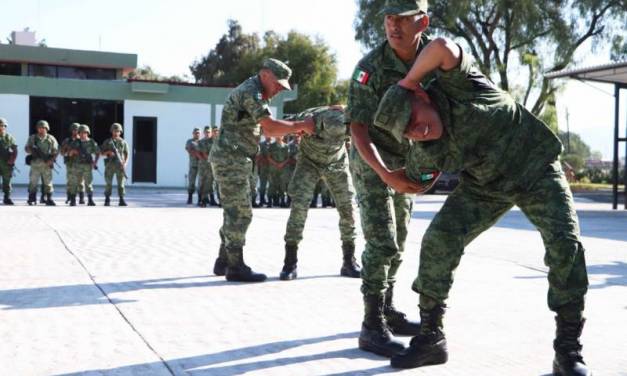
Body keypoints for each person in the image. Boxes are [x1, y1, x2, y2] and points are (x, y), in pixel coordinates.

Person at [373, 33, 591, 375]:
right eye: (408, 133)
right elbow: (412, 181)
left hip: (536, 169)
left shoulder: (459, 84)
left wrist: (408, 81)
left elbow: (442, 46)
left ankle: (567, 351)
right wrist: (385, 174)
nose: (417, 131)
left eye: (413, 119)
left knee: (566, 245)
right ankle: (431, 336)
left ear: (420, 95)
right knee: (438, 240)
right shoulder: (426, 149)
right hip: (485, 187)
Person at [346, 0, 430, 357]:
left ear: (422, 22)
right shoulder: (370, 68)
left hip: (406, 162)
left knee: (399, 238)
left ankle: (388, 310)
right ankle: (371, 326)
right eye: (389, 19)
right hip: (371, 162)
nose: (394, 26)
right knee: (382, 243)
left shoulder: (435, 59)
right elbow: (358, 129)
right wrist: (384, 174)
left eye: (403, 19)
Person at [209, 58, 315, 282]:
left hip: (238, 158)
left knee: (233, 211)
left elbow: (269, 131)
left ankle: (223, 261)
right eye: (277, 84)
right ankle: (235, 267)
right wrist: (301, 126)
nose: (278, 90)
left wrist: (293, 128)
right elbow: (269, 126)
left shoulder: (255, 91)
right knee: (240, 213)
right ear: (265, 75)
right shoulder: (251, 92)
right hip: (231, 158)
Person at [279, 106, 361, 280]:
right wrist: (295, 129)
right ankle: (290, 262)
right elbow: (283, 127)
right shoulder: (306, 118)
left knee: (348, 207)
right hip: (309, 162)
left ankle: (349, 261)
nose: (332, 138)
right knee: (299, 207)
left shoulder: (349, 120)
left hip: (336, 163)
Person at [25, 120, 59, 206]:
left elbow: (55, 151)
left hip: (46, 164)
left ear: (47, 129)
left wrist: (50, 160)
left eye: (44, 128)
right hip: (35, 164)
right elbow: (26, 149)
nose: (42, 129)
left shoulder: (51, 139)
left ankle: (49, 198)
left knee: (48, 182)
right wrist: (31, 150)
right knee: (33, 182)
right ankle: (32, 198)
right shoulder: (32, 138)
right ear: (37, 129)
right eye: (40, 128)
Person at [66, 125, 99, 206]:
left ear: (87, 133)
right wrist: (72, 152)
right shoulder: (75, 142)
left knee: (88, 182)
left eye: (84, 132)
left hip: (87, 165)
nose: (82, 134)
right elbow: (68, 154)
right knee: (74, 182)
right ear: (79, 133)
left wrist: (95, 162)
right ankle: (73, 200)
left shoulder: (91, 142)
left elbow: (97, 152)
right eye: (81, 133)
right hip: (76, 165)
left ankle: (90, 200)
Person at [101, 123, 129, 206]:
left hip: (120, 166)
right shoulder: (107, 142)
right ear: (112, 131)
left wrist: (125, 163)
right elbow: (101, 153)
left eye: (118, 131)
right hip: (110, 165)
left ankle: (121, 199)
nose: (116, 132)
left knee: (121, 184)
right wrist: (108, 152)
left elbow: (127, 154)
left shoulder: (123, 142)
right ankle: (107, 199)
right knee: (108, 183)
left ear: (120, 132)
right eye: (114, 131)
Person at [61, 123, 86, 204]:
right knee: (70, 181)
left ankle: (81, 198)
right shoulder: (67, 140)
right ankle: (69, 197)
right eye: (74, 130)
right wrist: (67, 152)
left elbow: (86, 151)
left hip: (80, 163)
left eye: (77, 130)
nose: (75, 132)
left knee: (81, 181)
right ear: (71, 131)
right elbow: (62, 152)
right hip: (70, 163)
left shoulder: (83, 140)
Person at [196, 126, 218, 207]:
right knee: (202, 182)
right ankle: (200, 200)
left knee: (211, 182)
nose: (208, 133)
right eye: (206, 132)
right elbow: (199, 153)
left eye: (209, 132)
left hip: (211, 165)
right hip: (203, 165)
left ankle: (211, 200)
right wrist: (205, 159)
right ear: (204, 133)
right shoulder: (201, 142)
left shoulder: (213, 141)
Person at [267, 136, 290, 207]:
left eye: (280, 135)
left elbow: (288, 157)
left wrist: (282, 164)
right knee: (272, 184)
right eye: (277, 135)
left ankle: (282, 201)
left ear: (283, 137)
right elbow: (268, 157)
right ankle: (270, 202)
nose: (278, 137)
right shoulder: (271, 146)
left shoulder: (286, 146)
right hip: (273, 168)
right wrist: (276, 164)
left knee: (282, 185)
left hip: (283, 168)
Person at [0, 117, 18, 205]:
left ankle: (7, 197)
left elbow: (15, 150)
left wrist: (12, 160)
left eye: (2, 125)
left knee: (7, 181)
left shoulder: (9, 137)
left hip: (6, 163)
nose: (1, 127)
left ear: (5, 127)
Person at [185, 127, 201, 205]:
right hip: (193, 165)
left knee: (201, 183)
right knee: (191, 181)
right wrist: (198, 155)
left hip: (201, 165)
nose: (197, 134)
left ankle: (200, 199)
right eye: (195, 132)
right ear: (193, 133)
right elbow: (189, 150)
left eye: (198, 133)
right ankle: (190, 198)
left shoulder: (202, 142)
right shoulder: (190, 141)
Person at [257, 137, 271, 207]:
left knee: (272, 185)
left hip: (272, 168)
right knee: (263, 185)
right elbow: (260, 156)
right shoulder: (261, 144)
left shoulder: (273, 144)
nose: (269, 137)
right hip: (264, 167)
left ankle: (270, 200)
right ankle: (262, 200)